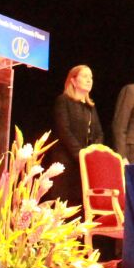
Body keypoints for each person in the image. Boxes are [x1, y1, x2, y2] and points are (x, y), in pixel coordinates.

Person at [52, 64, 104, 204]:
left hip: (83, 165)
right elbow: (64, 131)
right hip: (66, 163)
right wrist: (81, 155)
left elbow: (99, 134)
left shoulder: (90, 107)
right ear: (73, 81)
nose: (89, 80)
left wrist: (91, 155)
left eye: (91, 77)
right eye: (85, 76)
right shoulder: (63, 101)